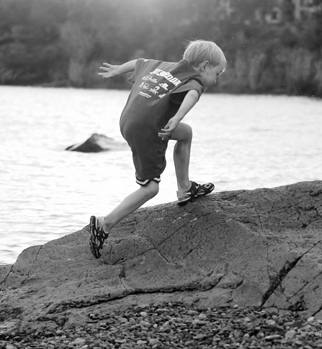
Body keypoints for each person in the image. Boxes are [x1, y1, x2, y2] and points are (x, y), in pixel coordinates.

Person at [88, 40, 227, 258]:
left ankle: (185, 189)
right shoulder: (195, 80)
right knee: (150, 188)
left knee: (185, 133)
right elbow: (192, 95)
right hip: (146, 128)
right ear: (204, 66)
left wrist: (117, 69)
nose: (216, 80)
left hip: (128, 120)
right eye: (217, 73)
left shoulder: (162, 66)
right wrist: (177, 117)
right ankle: (105, 223)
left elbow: (138, 62)